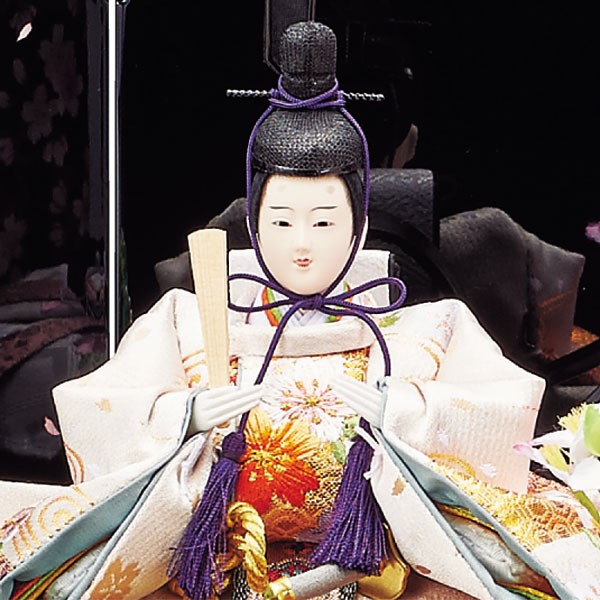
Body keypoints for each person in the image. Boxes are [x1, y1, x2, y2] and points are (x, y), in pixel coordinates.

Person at [0, 20, 599, 600]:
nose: (302, 244)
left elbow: (503, 411)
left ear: (358, 226)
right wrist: (182, 415)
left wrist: (409, 411)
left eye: (325, 221)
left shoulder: (425, 327)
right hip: (217, 564)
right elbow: (100, 407)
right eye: (282, 222)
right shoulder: (191, 321)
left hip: (374, 569)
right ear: (254, 223)